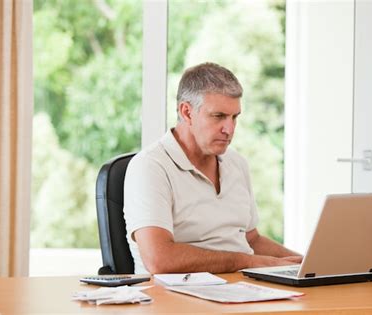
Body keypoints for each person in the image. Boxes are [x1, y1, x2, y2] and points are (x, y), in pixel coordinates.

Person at [124, 62, 302, 274]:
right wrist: (248, 262)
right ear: (187, 112)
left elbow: (251, 239)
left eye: (234, 117)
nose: (229, 129)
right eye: (218, 116)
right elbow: (159, 260)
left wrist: (305, 263)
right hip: (176, 298)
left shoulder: (236, 163)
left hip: (240, 292)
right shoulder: (150, 167)